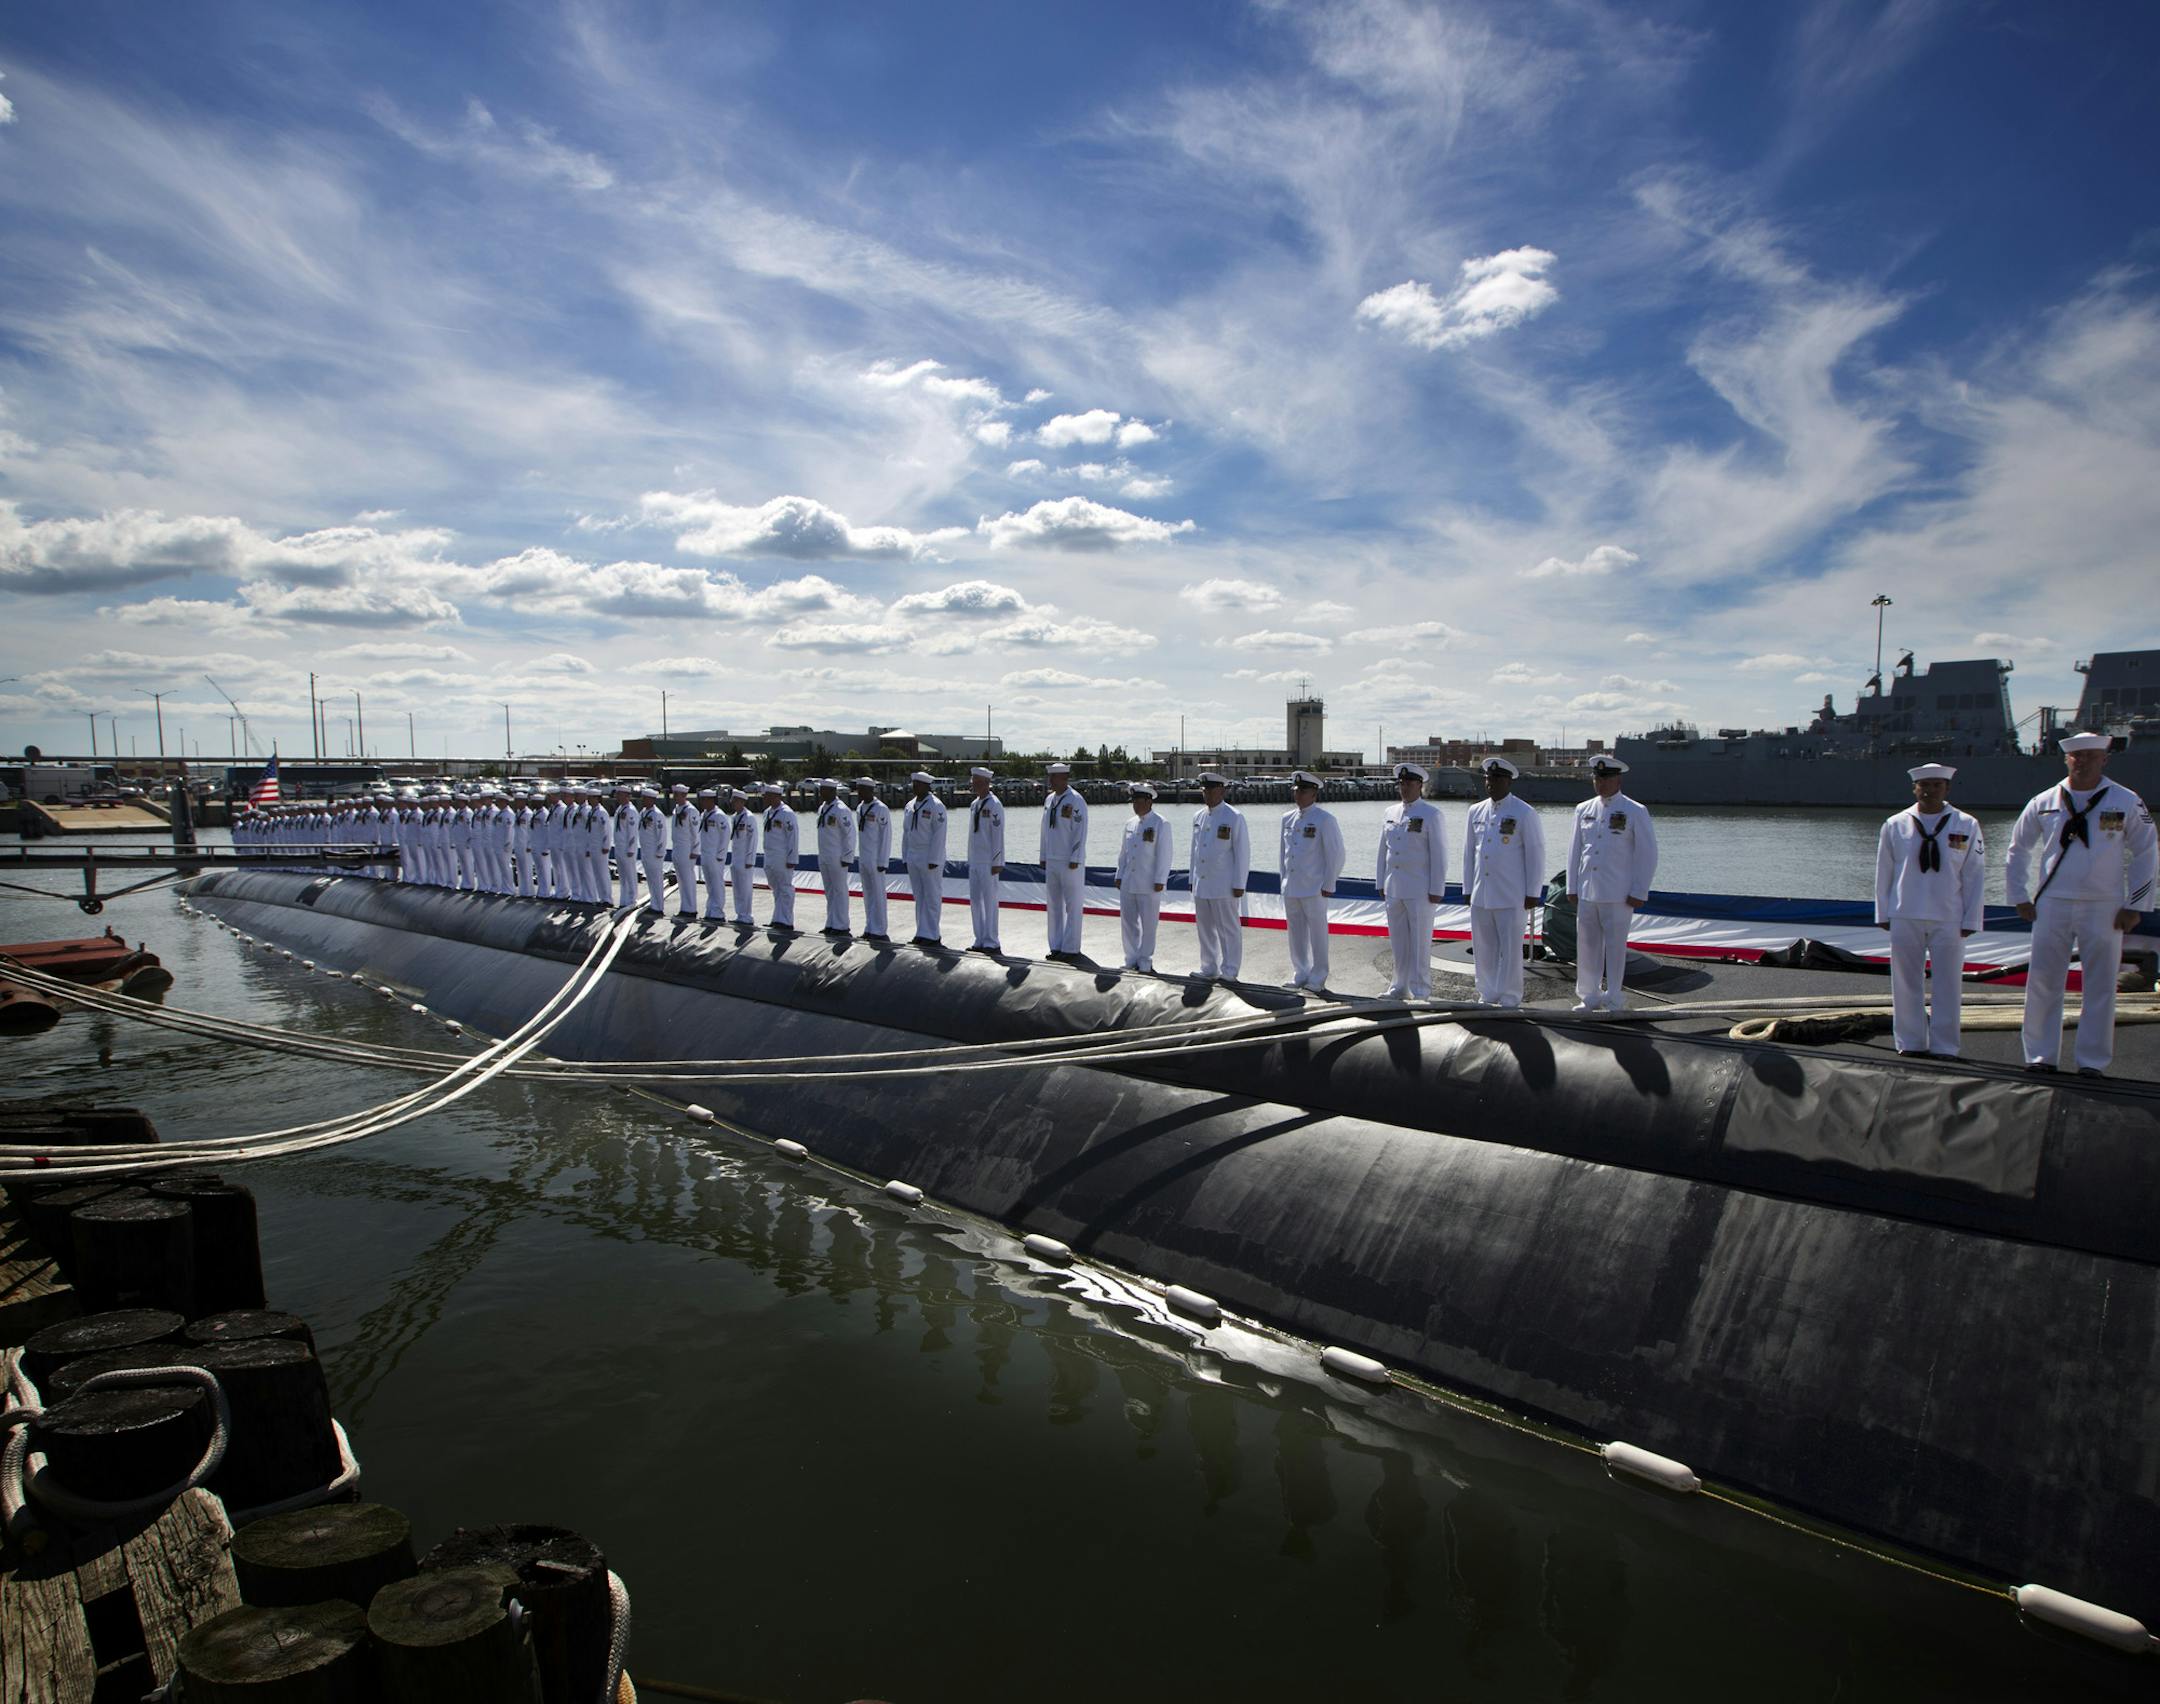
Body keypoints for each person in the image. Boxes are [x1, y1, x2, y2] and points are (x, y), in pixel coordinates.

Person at [2005, 731, 2157, 1076]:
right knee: (2043, 980)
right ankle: (2040, 1056)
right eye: (2077, 756)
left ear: (2104, 759)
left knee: (2101, 983)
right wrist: (2019, 897)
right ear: (2067, 759)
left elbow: (2147, 850)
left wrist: (2135, 904)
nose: (2084, 761)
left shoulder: (2125, 800)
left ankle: (2092, 1061)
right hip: (2053, 903)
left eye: (2091, 755)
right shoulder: (2044, 802)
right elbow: (2018, 850)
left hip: (2104, 905)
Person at [1874, 763, 1986, 1057]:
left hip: (1949, 915)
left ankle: (1944, 1045)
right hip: (1905, 912)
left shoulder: (1966, 824)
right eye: (1924, 785)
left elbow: (1974, 874)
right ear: (1915, 788)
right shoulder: (1895, 824)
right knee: (1905, 982)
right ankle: (1910, 1042)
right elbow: (1884, 871)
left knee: (1948, 984)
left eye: (1936, 785)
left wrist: (1972, 917)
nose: (1929, 790)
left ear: (1946, 789)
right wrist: (1883, 913)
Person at [1566, 756, 1659, 1014]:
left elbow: (1647, 854)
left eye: (1606, 778)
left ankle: (1615, 997)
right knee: (1586, 945)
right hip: (1587, 891)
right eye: (1597, 778)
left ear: (1618, 779)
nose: (1601, 783)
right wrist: (1572, 886)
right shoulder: (1583, 809)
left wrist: (1639, 890)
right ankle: (1589, 997)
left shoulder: (1634, 810)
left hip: (1618, 893)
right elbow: (1575, 851)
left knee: (1616, 948)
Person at [1463, 757, 1546, 1007]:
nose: (1491, 783)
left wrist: (1533, 892)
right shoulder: (1475, 811)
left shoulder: (1524, 812)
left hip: (1511, 895)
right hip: (1482, 893)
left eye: (1497, 778)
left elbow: (1536, 854)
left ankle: (1510, 996)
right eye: (1488, 778)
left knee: (1510, 951)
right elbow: (1469, 854)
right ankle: (1486, 993)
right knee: (1483, 949)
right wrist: (1468, 888)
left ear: (1509, 781)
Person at [1375, 763, 1447, 1000]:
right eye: (1402, 783)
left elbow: (1439, 854)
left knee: (1420, 942)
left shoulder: (1431, 814)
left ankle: (1421, 990)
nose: (1404, 787)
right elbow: (1382, 851)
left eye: (1409, 783)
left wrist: (1437, 888)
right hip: (1394, 886)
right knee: (1398, 941)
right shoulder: (1390, 813)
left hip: (1420, 889)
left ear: (1420, 785)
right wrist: (1380, 882)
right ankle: (1399, 986)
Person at [1278, 771, 1346, 992]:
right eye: (1296, 790)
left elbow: (1336, 854)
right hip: (1292, 886)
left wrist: (1329, 884)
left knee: (1317, 934)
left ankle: (1318, 975)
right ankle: (1300, 972)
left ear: (1314, 793)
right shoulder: (1287, 819)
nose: (1298, 794)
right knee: (1295, 932)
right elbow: (1283, 855)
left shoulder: (1324, 820)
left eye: (1303, 791)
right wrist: (1283, 881)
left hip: (1314, 887)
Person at [1189, 772, 1250, 981]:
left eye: (1211, 789)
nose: (1207, 793)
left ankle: (1230, 970)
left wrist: (1239, 883)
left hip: (1224, 884)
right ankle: (1208, 967)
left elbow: (1242, 853)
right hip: (1202, 883)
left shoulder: (1234, 816)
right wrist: (1192, 879)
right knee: (1204, 928)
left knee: (1228, 929)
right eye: (1204, 789)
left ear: (1222, 790)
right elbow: (1194, 851)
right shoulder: (1198, 816)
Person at [1115, 781, 1174, 971]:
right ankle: (1131, 959)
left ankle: (1145, 960)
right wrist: (1119, 874)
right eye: (1133, 801)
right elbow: (1124, 852)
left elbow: (1165, 854)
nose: (1136, 805)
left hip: (1149, 883)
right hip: (1129, 882)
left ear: (1149, 801)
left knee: (1149, 925)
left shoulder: (1160, 823)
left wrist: (1160, 879)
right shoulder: (1130, 824)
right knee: (1128, 923)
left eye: (1139, 800)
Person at [1038, 762, 1090, 958]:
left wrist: (1076, 857)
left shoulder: (1076, 800)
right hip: (1052, 858)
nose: (1050, 781)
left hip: (1069, 861)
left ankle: (1071, 947)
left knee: (1072, 904)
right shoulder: (1050, 800)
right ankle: (1056, 945)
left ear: (1064, 778)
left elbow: (1080, 831)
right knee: (1053, 904)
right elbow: (1044, 830)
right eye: (1049, 777)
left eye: (1054, 777)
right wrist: (1043, 855)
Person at [901, 771, 950, 945]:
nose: (915, 787)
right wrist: (905, 855)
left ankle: (932, 934)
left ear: (927, 786)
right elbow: (906, 832)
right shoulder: (910, 806)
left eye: (918, 784)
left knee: (932, 896)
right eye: (914, 784)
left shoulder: (936, 806)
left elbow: (939, 834)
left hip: (929, 855)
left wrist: (934, 859)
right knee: (919, 896)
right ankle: (921, 931)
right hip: (913, 855)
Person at [965, 767, 1006, 953]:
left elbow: (997, 835)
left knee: (989, 901)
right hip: (975, 860)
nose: (972, 784)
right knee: (975, 901)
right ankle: (979, 938)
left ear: (984, 782)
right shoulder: (974, 805)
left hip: (989, 861)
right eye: (972, 780)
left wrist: (997, 861)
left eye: (975, 781)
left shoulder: (994, 804)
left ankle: (991, 940)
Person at [813, 778, 857, 936]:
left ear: (832, 791)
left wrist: (847, 856)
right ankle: (831, 922)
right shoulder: (823, 808)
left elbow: (850, 835)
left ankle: (842, 924)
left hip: (837, 856)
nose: (820, 793)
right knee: (829, 891)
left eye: (823, 790)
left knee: (839, 890)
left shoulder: (841, 809)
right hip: (824, 855)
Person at [852, 777, 892, 940]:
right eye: (858, 789)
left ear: (870, 790)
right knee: (868, 893)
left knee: (878, 894)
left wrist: (883, 860)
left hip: (876, 858)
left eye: (862, 789)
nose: (859, 792)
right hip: (864, 857)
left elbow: (886, 836)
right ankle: (870, 926)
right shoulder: (860, 808)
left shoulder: (881, 809)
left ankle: (880, 929)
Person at [760, 780, 800, 929]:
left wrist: (792, 858)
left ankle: (786, 920)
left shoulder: (786, 813)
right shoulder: (767, 812)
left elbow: (793, 837)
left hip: (782, 855)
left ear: (775, 796)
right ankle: (777, 917)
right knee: (775, 887)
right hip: (770, 855)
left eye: (767, 796)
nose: (765, 798)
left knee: (785, 888)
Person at [726, 788, 760, 924]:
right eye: (732, 801)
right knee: (737, 887)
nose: (733, 804)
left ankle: (747, 915)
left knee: (745, 888)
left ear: (741, 802)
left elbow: (753, 839)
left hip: (745, 858)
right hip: (736, 857)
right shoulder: (735, 817)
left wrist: (750, 859)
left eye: (735, 801)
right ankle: (740, 914)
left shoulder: (749, 817)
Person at [696, 788, 730, 921]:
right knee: (709, 884)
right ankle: (710, 909)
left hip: (715, 855)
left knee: (717, 883)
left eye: (704, 800)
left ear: (710, 800)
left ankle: (718, 911)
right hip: (705, 854)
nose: (702, 803)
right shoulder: (704, 814)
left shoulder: (719, 815)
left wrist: (721, 854)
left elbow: (725, 836)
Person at [667, 783, 700, 918]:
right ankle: (684, 907)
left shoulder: (691, 810)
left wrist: (695, 850)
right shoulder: (677, 810)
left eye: (677, 795)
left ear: (684, 795)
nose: (675, 797)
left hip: (687, 849)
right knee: (681, 880)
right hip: (677, 848)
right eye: (674, 794)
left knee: (688, 879)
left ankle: (691, 908)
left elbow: (696, 832)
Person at [636, 787, 670, 917]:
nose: (643, 801)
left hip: (654, 852)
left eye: (645, 798)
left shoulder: (657, 815)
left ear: (652, 800)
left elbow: (662, 835)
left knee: (656, 880)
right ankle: (653, 903)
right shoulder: (644, 812)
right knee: (650, 879)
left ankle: (658, 906)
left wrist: (660, 851)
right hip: (645, 851)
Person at [611, 785, 641, 909]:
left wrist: (631, 848)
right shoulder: (620, 809)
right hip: (619, 846)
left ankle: (632, 898)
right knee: (622, 875)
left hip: (627, 847)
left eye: (619, 794)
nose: (617, 796)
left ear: (626, 795)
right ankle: (624, 899)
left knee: (630, 873)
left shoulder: (631, 811)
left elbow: (632, 832)